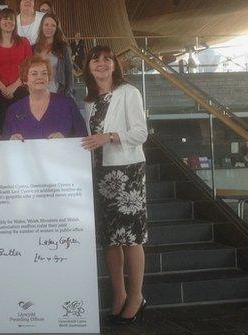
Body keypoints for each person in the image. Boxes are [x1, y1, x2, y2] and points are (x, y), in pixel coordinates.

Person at [81, 45, 148, 325]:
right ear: (88, 67)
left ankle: (136, 296)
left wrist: (109, 137)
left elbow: (141, 133)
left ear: (114, 65)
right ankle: (119, 295)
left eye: (107, 59)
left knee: (131, 238)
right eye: (96, 60)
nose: (101, 64)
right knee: (109, 239)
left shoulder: (128, 92)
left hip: (127, 171)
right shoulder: (88, 101)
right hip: (99, 173)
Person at [3, 56, 86, 140]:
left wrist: (65, 141)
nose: (40, 77)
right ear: (25, 79)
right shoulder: (13, 110)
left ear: (48, 78)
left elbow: (83, 138)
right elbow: (4, 146)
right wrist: (11, 142)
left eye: (44, 73)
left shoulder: (67, 104)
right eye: (34, 73)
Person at [0, 8, 32, 131]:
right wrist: (3, 88)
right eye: (5, 19)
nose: (9, 22)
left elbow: (29, 66)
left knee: (21, 128)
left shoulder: (24, 42)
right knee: (0, 128)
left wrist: (14, 87)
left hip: (20, 90)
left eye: (12, 19)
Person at [33, 13, 74, 98]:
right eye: (46, 24)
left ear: (56, 29)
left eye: (53, 25)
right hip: (37, 93)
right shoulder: (34, 48)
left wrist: (68, 93)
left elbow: (69, 72)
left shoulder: (63, 48)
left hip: (56, 92)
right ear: (42, 27)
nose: (49, 28)